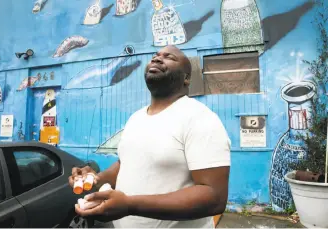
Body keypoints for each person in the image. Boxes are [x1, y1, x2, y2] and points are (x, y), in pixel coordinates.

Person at [69, 45, 231, 228]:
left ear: (186, 78)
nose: (157, 58)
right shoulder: (136, 118)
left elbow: (214, 197)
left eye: (169, 57)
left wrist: (130, 206)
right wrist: (96, 178)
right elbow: (126, 164)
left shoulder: (200, 118)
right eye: (155, 55)